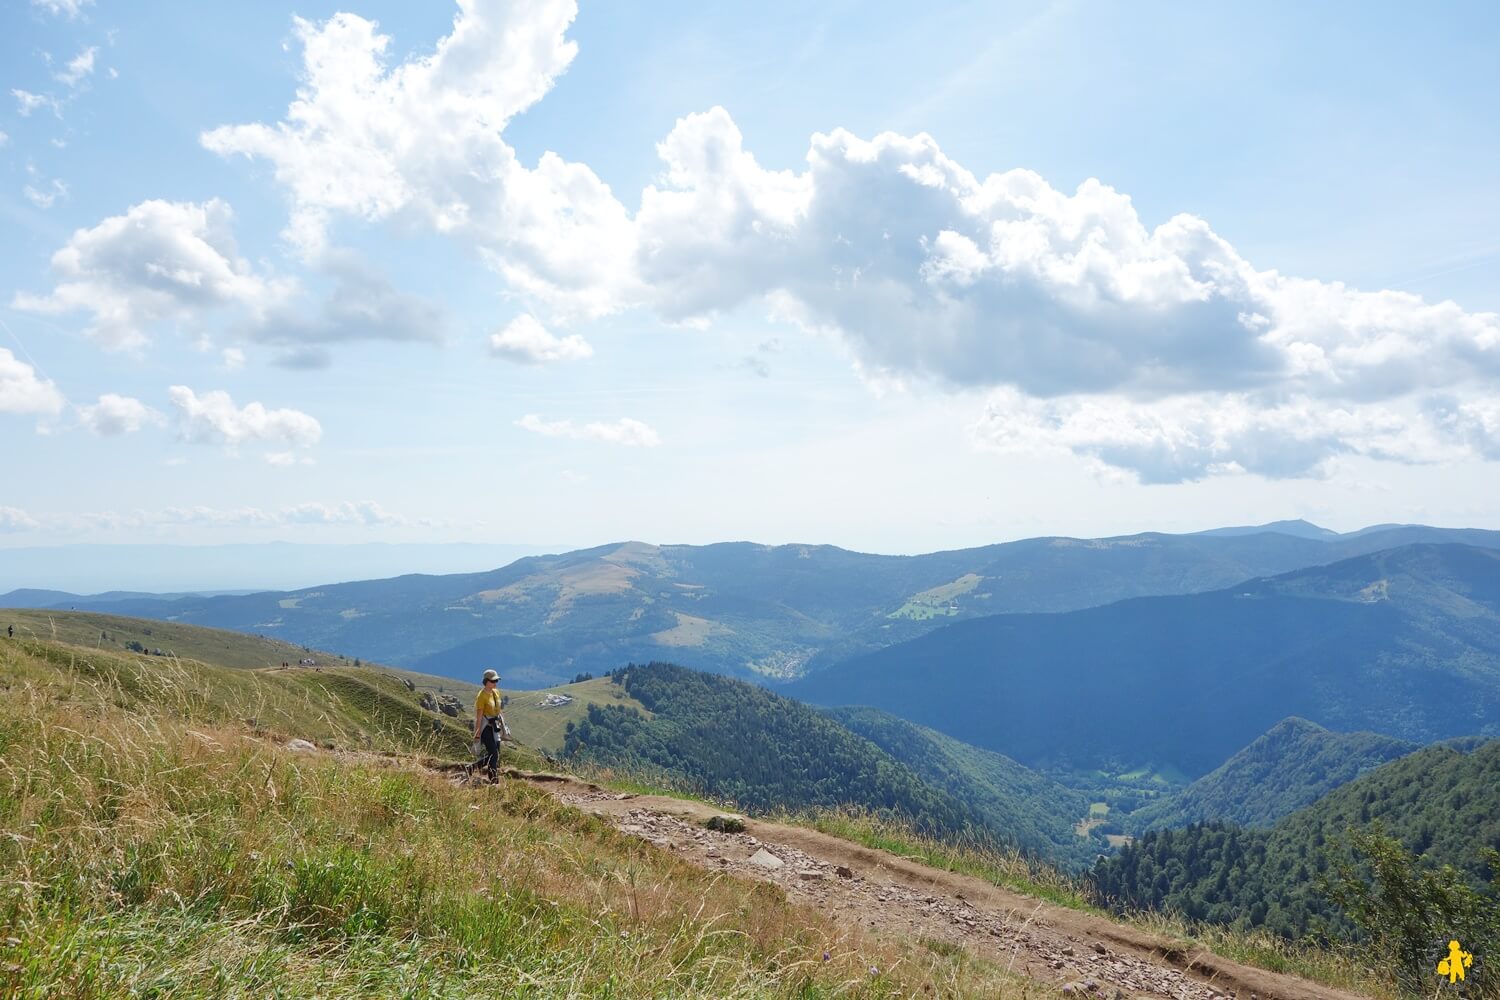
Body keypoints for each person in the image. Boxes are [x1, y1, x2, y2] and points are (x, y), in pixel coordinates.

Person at [471, 669, 504, 783]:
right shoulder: (481, 696)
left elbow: (499, 710)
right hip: (485, 727)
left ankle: (471, 768)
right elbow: (479, 716)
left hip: (495, 726)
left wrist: (502, 724)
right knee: (493, 753)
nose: (495, 683)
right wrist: (477, 733)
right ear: (486, 681)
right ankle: (494, 780)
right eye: (493, 681)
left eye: (496, 681)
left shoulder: (496, 692)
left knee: (495, 754)